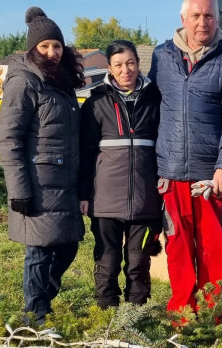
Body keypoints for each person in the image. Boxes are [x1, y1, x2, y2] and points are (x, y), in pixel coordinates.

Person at [148, 0, 222, 316]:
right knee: (178, 248)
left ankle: (211, 315)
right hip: (171, 172)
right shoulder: (161, 56)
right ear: (183, 19)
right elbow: (151, 109)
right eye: (196, 16)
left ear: (217, 18)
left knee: (213, 250)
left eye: (209, 15)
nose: (203, 22)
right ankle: (181, 312)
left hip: (211, 177)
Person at [0, 7, 85, 325]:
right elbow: (7, 139)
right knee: (40, 252)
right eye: (45, 46)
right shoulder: (23, 83)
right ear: (33, 49)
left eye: (57, 46)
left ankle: (40, 304)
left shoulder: (60, 84)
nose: (52, 51)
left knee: (68, 248)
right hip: (36, 184)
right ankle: (36, 315)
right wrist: (18, 189)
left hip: (64, 184)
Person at [78, 40, 162, 309]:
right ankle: (107, 316)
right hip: (104, 202)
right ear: (110, 69)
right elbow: (85, 154)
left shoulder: (157, 100)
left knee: (139, 262)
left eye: (130, 63)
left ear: (138, 64)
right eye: (118, 65)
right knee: (107, 260)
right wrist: (83, 194)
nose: (126, 70)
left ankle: (137, 318)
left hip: (146, 201)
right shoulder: (95, 103)